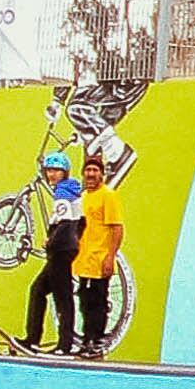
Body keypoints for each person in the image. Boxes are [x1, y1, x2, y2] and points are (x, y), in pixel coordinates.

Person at [23, 155, 85, 354]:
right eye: (48, 170)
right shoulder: (74, 191)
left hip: (59, 250)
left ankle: (62, 344)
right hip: (67, 248)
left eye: (55, 170)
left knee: (61, 296)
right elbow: (81, 222)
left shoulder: (62, 191)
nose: (51, 174)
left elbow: (65, 221)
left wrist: (52, 239)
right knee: (39, 290)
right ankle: (34, 338)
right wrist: (72, 240)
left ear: (64, 172)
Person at [72, 149, 127, 359]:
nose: (91, 174)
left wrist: (110, 256)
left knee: (98, 302)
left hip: (100, 259)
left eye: (95, 170)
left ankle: (96, 341)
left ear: (101, 174)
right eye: (88, 170)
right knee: (85, 302)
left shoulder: (108, 196)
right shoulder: (82, 197)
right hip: (83, 261)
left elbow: (117, 228)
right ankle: (87, 340)